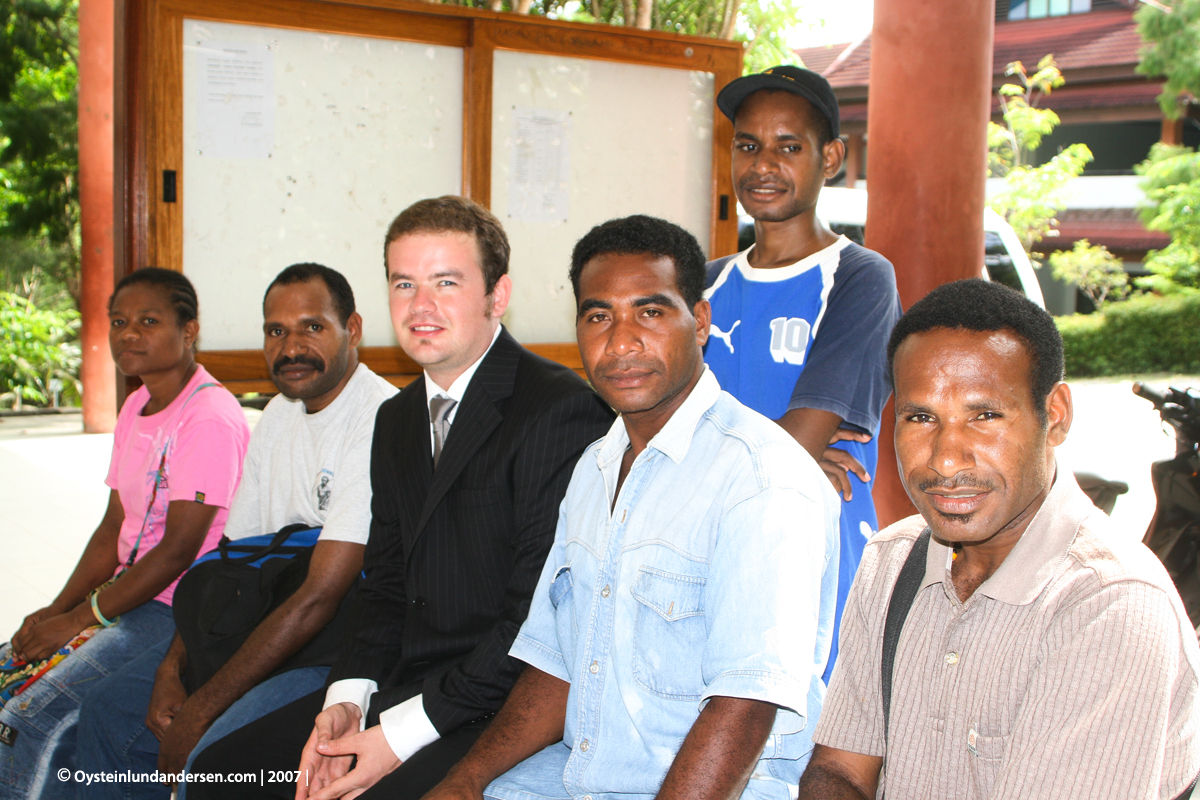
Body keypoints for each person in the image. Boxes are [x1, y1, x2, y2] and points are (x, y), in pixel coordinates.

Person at [187, 196, 614, 800]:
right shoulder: (395, 418)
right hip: (402, 683)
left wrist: (394, 737)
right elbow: (384, 587)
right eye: (404, 283)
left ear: (497, 295)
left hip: (500, 702)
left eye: (447, 282)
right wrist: (346, 702)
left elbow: (534, 622)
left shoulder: (560, 409)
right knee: (221, 777)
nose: (421, 306)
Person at [422, 214, 839, 800]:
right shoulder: (594, 467)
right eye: (599, 317)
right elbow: (555, 662)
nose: (621, 343)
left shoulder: (761, 477)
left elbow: (745, 704)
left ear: (699, 322)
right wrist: (464, 781)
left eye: (650, 312)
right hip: (583, 775)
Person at [799, 279, 1200, 800]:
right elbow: (842, 772)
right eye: (920, 417)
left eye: (984, 416)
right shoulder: (892, 562)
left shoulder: (1109, 604)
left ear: (1054, 416)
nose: (945, 458)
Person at [75, 263, 397, 798]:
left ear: (354, 330)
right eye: (276, 331)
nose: (291, 346)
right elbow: (226, 562)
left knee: (212, 759)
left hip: (331, 646)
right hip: (261, 622)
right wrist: (172, 666)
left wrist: (203, 705)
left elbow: (319, 598)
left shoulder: (382, 418)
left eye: (312, 327)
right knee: (106, 711)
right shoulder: (277, 414)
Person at [0, 268, 250, 800]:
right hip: (125, 594)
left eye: (148, 321)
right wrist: (55, 610)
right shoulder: (138, 403)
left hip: (174, 606)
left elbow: (179, 550)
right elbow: (114, 525)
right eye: (119, 321)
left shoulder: (208, 417)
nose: (128, 334)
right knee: (6, 675)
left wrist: (78, 619)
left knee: (29, 716)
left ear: (189, 332)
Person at [703, 65, 902, 679]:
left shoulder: (861, 278)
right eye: (748, 145)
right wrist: (782, 459)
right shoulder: (703, 283)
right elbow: (649, 432)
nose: (764, 164)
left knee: (808, 741)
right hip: (705, 545)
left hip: (815, 544)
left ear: (831, 157)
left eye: (789, 146)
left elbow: (806, 434)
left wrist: (776, 457)